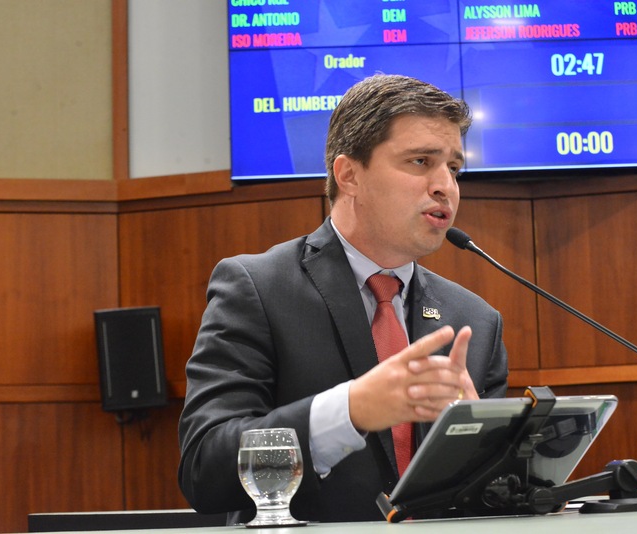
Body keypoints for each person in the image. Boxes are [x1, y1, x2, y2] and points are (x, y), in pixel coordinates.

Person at [178, 74, 509, 524]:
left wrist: (482, 449)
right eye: (420, 161)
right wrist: (349, 411)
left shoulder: (474, 320)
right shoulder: (258, 288)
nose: (445, 186)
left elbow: (490, 495)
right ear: (349, 175)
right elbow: (205, 470)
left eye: (453, 168)